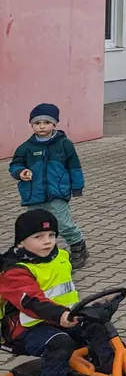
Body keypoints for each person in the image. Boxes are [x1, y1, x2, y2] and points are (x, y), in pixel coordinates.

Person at [0, 210, 118, 376]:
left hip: (60, 318)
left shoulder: (61, 257)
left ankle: (115, 374)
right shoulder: (15, 271)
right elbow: (31, 301)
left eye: (51, 235)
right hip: (25, 328)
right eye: (38, 237)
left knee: (97, 326)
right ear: (21, 242)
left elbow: (64, 292)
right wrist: (60, 314)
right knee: (60, 343)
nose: (47, 241)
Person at [11, 104, 88, 270]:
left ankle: (78, 245)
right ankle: (39, 253)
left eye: (46, 122)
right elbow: (15, 164)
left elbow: (74, 167)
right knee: (34, 226)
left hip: (57, 193)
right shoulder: (26, 148)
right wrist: (20, 172)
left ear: (54, 124)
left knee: (63, 224)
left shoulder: (64, 144)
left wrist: (77, 187)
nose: (41, 126)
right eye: (37, 123)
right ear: (31, 125)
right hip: (34, 194)